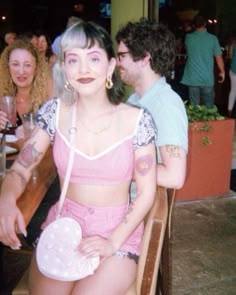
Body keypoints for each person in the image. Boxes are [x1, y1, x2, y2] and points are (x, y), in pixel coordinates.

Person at [0, 20, 157, 294]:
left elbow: (146, 193)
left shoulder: (138, 121)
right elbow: (21, 168)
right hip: (63, 225)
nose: (83, 69)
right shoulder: (55, 112)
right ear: (65, 69)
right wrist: (5, 198)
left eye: (93, 58)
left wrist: (112, 241)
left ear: (110, 66)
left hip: (117, 232)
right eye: (73, 60)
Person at [116, 18, 188, 190]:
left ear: (144, 59)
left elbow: (174, 176)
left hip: (132, 208)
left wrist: (114, 168)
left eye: (122, 56)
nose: (118, 62)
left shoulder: (166, 105)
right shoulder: (135, 99)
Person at [0, 39, 54, 134]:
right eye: (15, 64)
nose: (21, 71)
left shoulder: (48, 92)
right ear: (7, 66)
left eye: (27, 65)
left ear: (36, 67)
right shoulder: (2, 94)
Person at [181, 14, 225, 108]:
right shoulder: (212, 39)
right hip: (207, 79)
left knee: (194, 108)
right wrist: (222, 71)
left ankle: (196, 123)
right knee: (209, 108)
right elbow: (218, 57)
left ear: (194, 25)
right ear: (205, 24)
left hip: (192, 79)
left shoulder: (188, 38)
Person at [227, 38, 236, 117]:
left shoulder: (233, 43)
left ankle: (229, 110)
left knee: (233, 90)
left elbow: (229, 56)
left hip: (233, 69)